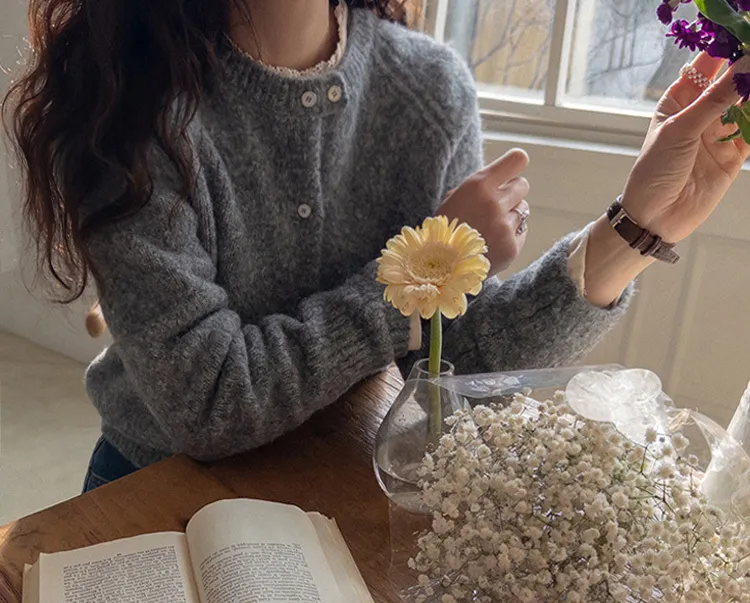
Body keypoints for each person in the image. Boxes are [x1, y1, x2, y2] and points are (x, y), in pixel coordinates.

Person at [3, 0, 748, 492]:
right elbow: (211, 402)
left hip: (340, 483)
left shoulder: (429, 88)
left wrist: (636, 228)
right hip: (152, 491)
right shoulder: (125, 109)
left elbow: (454, 362)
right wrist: (419, 269)